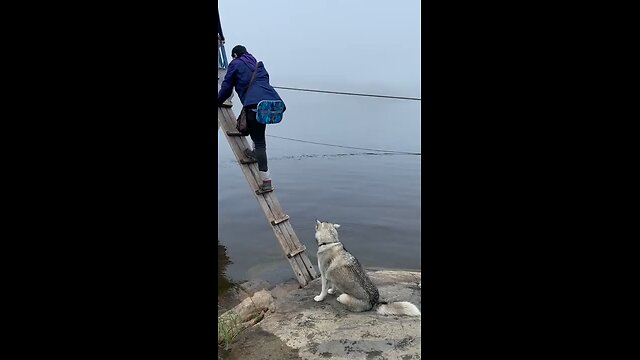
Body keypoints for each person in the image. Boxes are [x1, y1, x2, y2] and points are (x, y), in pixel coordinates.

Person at [218, 45, 284, 194]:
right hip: (265, 106)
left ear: (235, 54)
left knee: (259, 142)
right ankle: (255, 153)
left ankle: (266, 182)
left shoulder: (235, 64)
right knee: (259, 139)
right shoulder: (257, 64)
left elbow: (227, 87)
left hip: (253, 106)